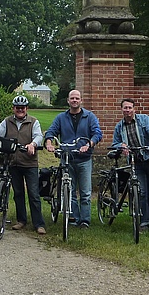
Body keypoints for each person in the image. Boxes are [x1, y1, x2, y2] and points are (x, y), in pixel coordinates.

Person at [0, 95, 46, 235]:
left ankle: (39, 224)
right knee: (18, 193)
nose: (20, 110)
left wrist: (32, 144)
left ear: (26, 109)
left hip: (29, 163)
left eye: (22, 108)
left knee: (33, 194)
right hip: (13, 162)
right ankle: (21, 220)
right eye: (17, 108)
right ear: (14, 108)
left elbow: (38, 136)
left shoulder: (33, 122)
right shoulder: (7, 121)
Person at [44, 90, 102, 229]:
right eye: (72, 98)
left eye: (77, 98)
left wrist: (89, 144)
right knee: (69, 191)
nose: (74, 100)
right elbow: (51, 131)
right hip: (67, 158)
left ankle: (85, 220)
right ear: (68, 101)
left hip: (84, 159)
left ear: (81, 100)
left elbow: (97, 133)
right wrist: (49, 142)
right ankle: (74, 217)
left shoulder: (89, 117)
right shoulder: (61, 117)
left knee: (85, 192)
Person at [111, 98, 149, 231]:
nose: (127, 110)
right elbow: (114, 143)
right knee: (142, 192)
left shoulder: (144, 119)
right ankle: (144, 221)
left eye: (130, 107)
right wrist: (121, 145)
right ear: (121, 109)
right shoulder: (119, 127)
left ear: (134, 109)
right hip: (136, 162)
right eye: (125, 108)